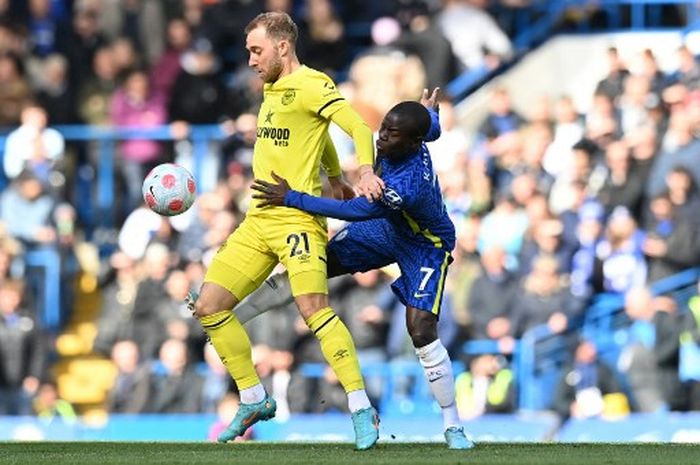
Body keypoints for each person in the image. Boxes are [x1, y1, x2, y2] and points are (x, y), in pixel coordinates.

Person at [187, 12, 384, 450]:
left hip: (297, 220)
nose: (251, 61)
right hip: (258, 219)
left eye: (256, 51)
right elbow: (314, 132)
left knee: (313, 309)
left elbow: (356, 126)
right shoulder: (272, 88)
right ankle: (254, 398)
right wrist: (333, 173)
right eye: (248, 52)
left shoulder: (314, 82)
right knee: (208, 307)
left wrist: (362, 169)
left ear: (282, 46)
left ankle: (359, 406)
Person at [246, 92, 474, 449]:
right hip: (389, 228)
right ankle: (237, 310)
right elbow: (434, 129)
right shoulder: (415, 133)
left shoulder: (406, 186)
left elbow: (355, 211)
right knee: (311, 268)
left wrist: (292, 198)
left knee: (420, 329)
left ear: (410, 141)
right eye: (383, 128)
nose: (381, 137)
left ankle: (452, 424)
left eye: (391, 134)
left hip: (425, 245)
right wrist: (430, 112)